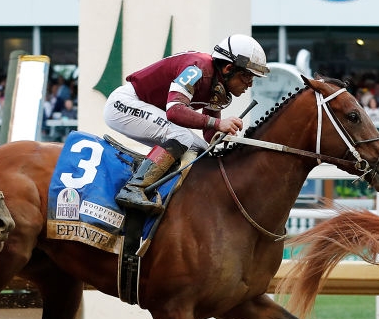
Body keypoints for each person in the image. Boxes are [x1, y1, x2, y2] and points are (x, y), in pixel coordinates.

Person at [104, 33, 267, 215]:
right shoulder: (197, 68)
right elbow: (174, 111)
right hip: (124, 104)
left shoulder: (218, 86)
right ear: (229, 68)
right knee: (181, 136)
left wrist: (218, 135)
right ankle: (133, 188)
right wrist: (219, 123)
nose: (250, 84)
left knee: (200, 148)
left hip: (145, 109)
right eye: (247, 77)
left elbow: (208, 134)